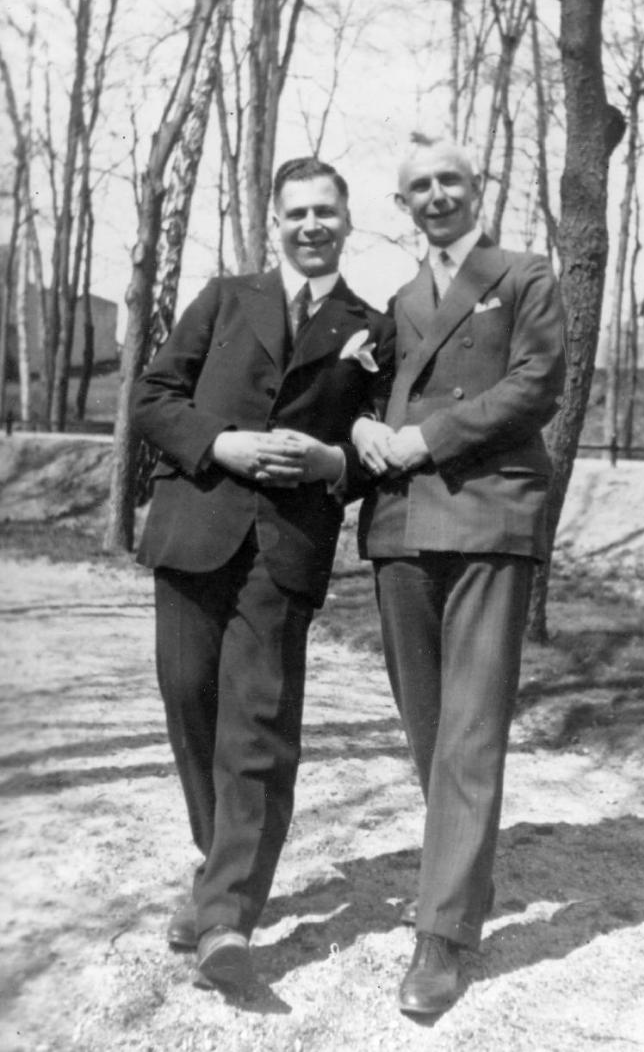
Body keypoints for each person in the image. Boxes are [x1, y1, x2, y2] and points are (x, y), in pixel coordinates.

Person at [133, 157, 394, 993]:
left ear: (347, 223)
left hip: (285, 547)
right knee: (189, 698)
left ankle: (226, 921)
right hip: (195, 528)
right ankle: (221, 869)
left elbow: (376, 448)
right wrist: (221, 443)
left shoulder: (373, 328)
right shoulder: (223, 298)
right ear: (273, 222)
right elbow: (153, 396)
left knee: (259, 724)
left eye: (326, 212)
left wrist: (330, 461)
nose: (312, 226)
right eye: (297, 214)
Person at [353, 140, 565, 1016]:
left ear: (476, 191)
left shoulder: (523, 274)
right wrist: (366, 429)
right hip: (401, 524)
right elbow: (375, 398)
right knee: (429, 728)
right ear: (403, 206)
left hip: (485, 516)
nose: (436, 195)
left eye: (451, 181)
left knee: (470, 732)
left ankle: (441, 936)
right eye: (419, 188)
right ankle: (461, 878)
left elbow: (537, 384)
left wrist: (425, 440)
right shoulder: (399, 300)